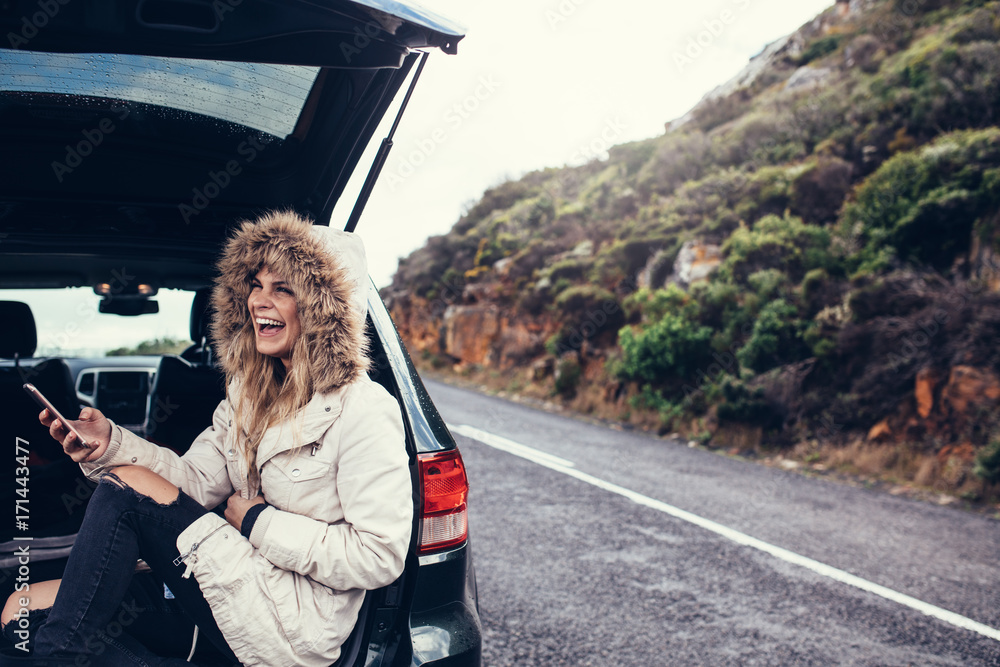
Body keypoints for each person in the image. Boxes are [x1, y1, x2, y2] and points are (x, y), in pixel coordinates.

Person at [0, 211, 413, 665]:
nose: (259, 301)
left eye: (282, 289)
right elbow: (193, 481)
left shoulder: (365, 410)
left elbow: (379, 555)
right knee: (19, 611)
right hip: (229, 581)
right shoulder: (246, 398)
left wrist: (259, 523)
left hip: (291, 624)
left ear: (323, 309)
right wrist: (110, 444)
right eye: (256, 285)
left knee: (125, 492)